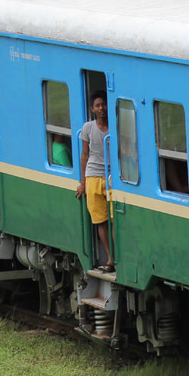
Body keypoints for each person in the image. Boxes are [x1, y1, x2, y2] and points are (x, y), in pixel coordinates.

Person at [75, 92, 113, 272]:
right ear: (92, 109)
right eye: (97, 105)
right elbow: (85, 155)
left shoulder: (115, 126)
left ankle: (117, 257)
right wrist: (83, 182)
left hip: (113, 177)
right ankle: (110, 259)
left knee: (115, 220)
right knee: (101, 221)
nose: (101, 108)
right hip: (93, 177)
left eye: (104, 104)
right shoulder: (88, 128)